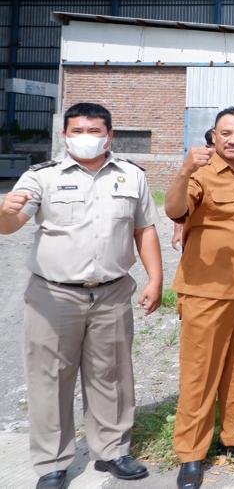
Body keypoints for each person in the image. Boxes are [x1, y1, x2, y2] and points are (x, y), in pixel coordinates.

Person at [0, 102, 162, 489]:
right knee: (51, 378)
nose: (85, 137)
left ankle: (112, 452)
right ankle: (53, 462)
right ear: (64, 135)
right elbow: (11, 225)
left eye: (94, 131)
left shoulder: (131, 177)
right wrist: (5, 211)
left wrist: (156, 279)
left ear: (110, 135)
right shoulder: (41, 177)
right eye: (77, 131)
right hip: (53, 297)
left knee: (112, 376)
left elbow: (145, 230)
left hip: (111, 293)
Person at [165, 106, 234, 489]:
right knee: (200, 373)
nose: (232, 139)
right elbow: (176, 210)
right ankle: (192, 455)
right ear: (213, 136)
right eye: (225, 132)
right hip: (207, 291)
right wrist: (182, 171)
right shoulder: (198, 174)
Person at [171, 129, 214, 252]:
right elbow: (181, 202)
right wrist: (178, 232)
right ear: (208, 146)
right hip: (196, 239)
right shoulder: (195, 169)